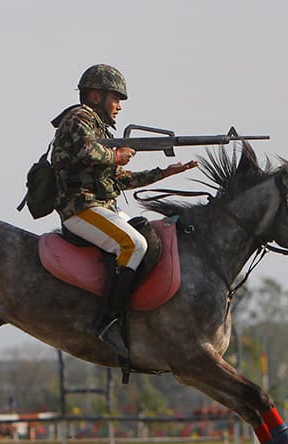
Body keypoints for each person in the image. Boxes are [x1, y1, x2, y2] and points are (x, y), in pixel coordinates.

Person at [51, 64, 198, 358]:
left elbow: (119, 179)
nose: (119, 106)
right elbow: (87, 152)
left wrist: (164, 172)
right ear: (95, 95)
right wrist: (117, 155)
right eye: (115, 98)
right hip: (80, 208)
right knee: (133, 244)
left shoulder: (98, 127)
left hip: (101, 206)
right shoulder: (79, 118)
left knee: (148, 234)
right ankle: (109, 322)